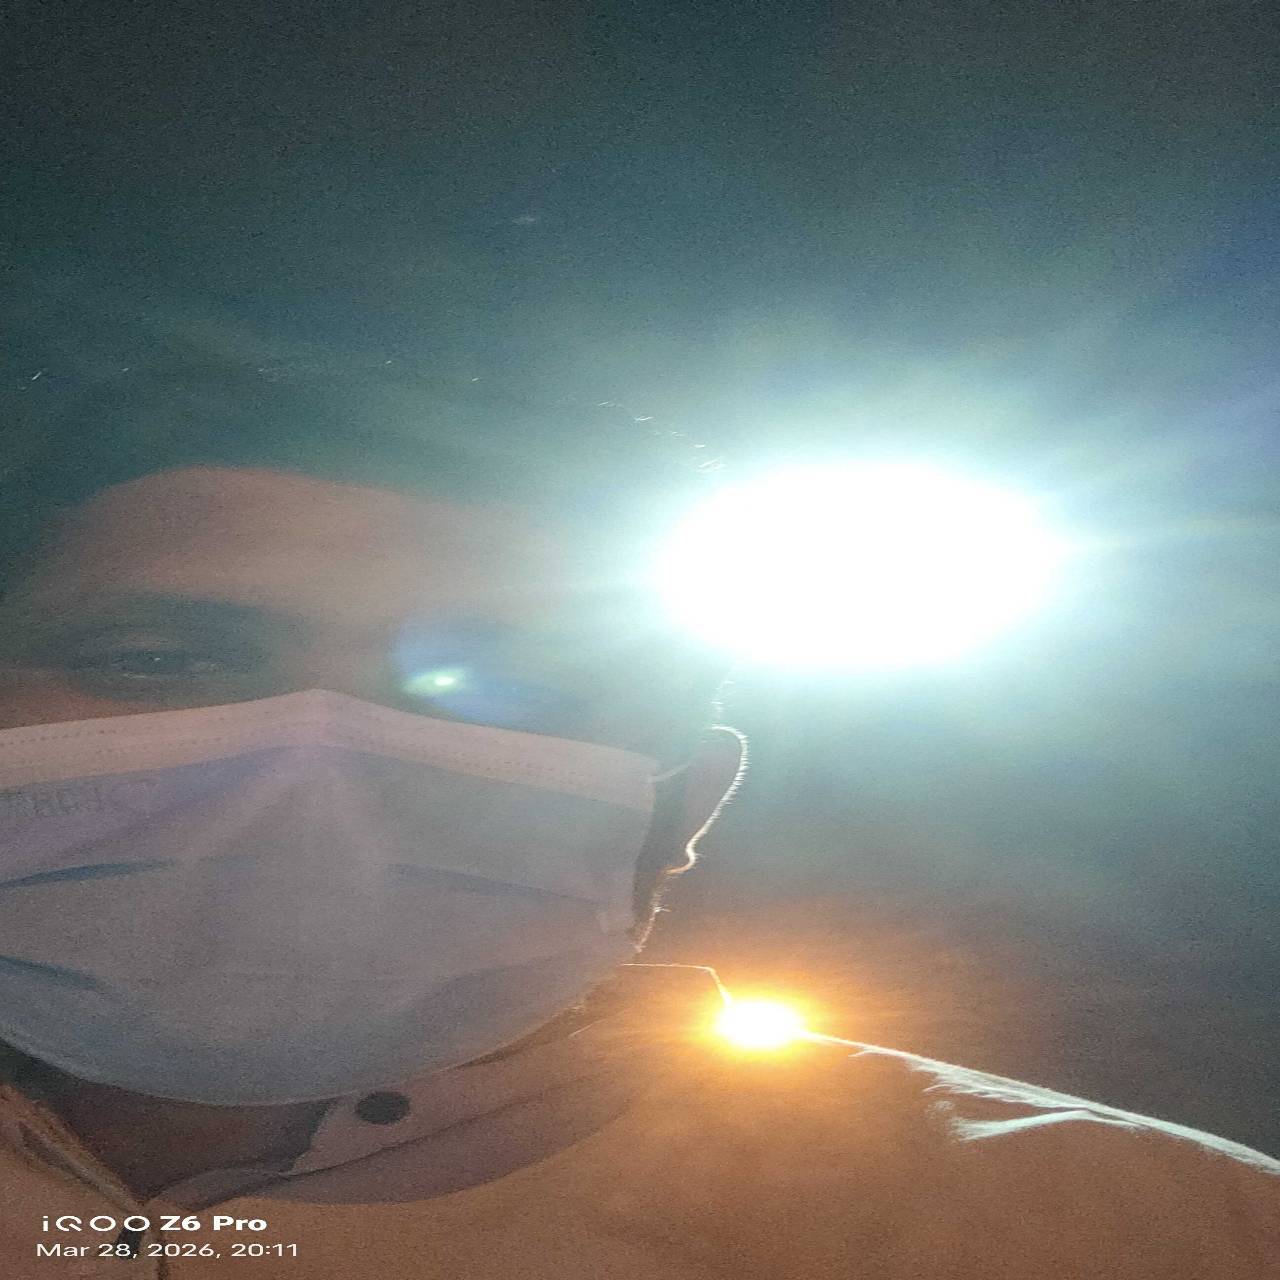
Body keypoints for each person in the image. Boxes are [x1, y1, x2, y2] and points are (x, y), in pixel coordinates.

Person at [0, 360, 1275, 1279]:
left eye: (502, 692)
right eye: (156, 660)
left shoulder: (1157, 1235)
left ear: (683, 805)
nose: (320, 755)